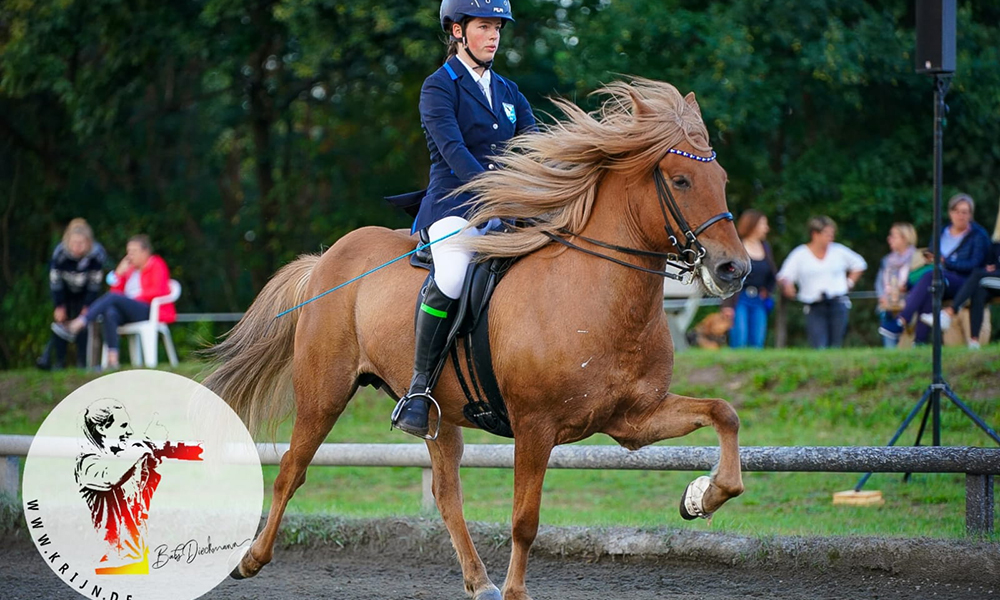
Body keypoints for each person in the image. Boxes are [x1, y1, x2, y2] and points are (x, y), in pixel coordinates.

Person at [389, 0, 536, 438]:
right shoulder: (439, 87)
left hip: (508, 208)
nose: (494, 36)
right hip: (454, 206)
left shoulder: (509, 92)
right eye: (485, 27)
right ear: (457, 31)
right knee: (452, 275)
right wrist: (501, 193)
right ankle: (418, 390)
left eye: (498, 28)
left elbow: (534, 146)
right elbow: (454, 153)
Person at [879, 194, 990, 344]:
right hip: (939, 277)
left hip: (964, 282)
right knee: (930, 288)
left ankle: (901, 321)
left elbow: (975, 264)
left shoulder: (978, 235)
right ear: (950, 213)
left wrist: (947, 261)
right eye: (957, 211)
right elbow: (932, 256)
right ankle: (919, 341)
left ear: (971, 214)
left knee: (932, 277)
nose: (961, 216)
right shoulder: (941, 231)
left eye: (965, 212)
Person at [52, 235, 175, 369]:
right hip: (129, 310)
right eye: (128, 252)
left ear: (145, 252)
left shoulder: (156, 264)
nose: (129, 256)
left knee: (113, 298)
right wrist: (118, 274)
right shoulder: (130, 271)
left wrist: (131, 299)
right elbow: (115, 291)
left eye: (133, 252)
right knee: (110, 311)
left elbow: (159, 291)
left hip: (149, 309)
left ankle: (79, 322)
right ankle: (112, 360)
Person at [777, 216, 867, 349]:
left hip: (837, 302)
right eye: (827, 234)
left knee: (836, 344)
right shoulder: (800, 254)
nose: (831, 238)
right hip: (814, 305)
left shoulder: (838, 251)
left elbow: (860, 264)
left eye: (832, 234)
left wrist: (850, 282)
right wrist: (788, 285)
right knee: (818, 345)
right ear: (815, 234)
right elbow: (784, 275)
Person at [37, 218, 108, 370]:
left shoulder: (96, 255)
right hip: (66, 293)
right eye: (74, 243)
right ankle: (58, 362)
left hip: (86, 293)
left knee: (83, 323)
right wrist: (59, 305)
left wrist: (87, 305)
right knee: (61, 322)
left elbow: (94, 284)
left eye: (81, 243)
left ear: (88, 242)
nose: (77, 247)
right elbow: (55, 282)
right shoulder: (60, 253)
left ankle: (83, 363)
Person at [935, 200, 1000, 348]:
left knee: (977, 274)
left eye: (964, 212)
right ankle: (974, 341)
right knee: (979, 290)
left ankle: (950, 312)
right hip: (995, 280)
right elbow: (990, 263)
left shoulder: (978, 235)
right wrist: (991, 267)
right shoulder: (996, 243)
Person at [721, 210, 777, 348]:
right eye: (763, 224)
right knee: (739, 338)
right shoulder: (737, 246)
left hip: (758, 299)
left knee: (757, 341)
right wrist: (727, 306)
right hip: (739, 298)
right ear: (753, 225)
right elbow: (727, 277)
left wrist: (768, 290)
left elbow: (772, 273)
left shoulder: (765, 248)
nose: (766, 228)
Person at [874, 223, 917, 347]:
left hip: (910, 309)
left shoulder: (917, 258)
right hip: (888, 308)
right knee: (890, 348)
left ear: (905, 238)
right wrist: (882, 296)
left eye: (893, 236)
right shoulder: (887, 260)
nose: (889, 239)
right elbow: (879, 282)